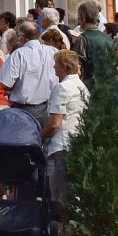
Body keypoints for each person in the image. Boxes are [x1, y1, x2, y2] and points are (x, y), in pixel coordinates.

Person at [41, 49, 88, 206]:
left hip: (63, 143)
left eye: (56, 64)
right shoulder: (82, 86)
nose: (54, 67)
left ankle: (64, 228)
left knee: (63, 192)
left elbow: (55, 123)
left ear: (64, 67)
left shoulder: (62, 88)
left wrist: (40, 136)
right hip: (77, 140)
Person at [0, 20, 56, 124]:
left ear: (21, 38)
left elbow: (4, 83)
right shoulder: (52, 51)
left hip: (25, 110)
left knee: (26, 139)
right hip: (49, 108)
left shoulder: (19, 54)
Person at [73, 0, 113, 84]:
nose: (78, 20)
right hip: (109, 87)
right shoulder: (109, 39)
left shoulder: (83, 39)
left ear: (83, 18)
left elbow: (76, 67)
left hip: (90, 87)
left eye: (79, 17)